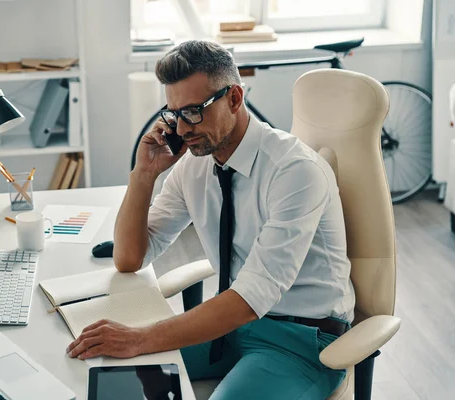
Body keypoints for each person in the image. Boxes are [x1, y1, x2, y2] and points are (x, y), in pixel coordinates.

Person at [67, 40, 355, 399]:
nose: (183, 129)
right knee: (103, 365)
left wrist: (140, 338)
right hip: (231, 328)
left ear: (234, 98)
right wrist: (143, 176)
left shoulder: (295, 172)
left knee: (131, 349)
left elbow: (251, 297)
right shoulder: (195, 164)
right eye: (174, 113)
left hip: (299, 341)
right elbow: (130, 258)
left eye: (193, 111)